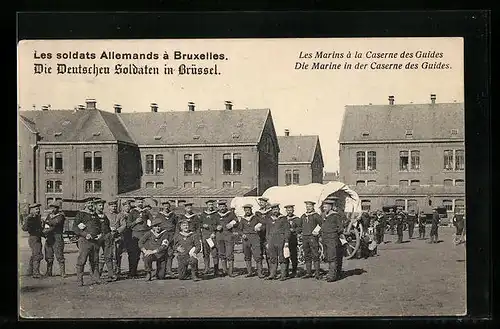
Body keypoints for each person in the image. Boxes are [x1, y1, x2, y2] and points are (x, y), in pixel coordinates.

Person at [73, 198, 103, 286]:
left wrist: (100, 234)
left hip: (95, 241)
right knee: (82, 260)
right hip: (85, 241)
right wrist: (85, 234)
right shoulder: (80, 214)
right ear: (85, 204)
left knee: (95, 260)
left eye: (92, 203)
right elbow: (75, 228)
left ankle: (96, 278)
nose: (90, 205)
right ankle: (79, 280)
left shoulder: (95, 215)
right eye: (89, 203)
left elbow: (99, 226)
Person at [262, 203, 290, 281]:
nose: (275, 211)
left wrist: (286, 241)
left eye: (276, 209)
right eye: (274, 209)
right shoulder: (268, 219)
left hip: (281, 240)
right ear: (271, 210)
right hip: (271, 240)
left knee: (282, 257)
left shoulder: (283, 218)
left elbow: (287, 231)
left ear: (279, 210)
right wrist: (267, 242)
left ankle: (283, 275)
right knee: (272, 258)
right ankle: (272, 274)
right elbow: (267, 231)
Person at [126, 197, 151, 278]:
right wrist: (135, 222)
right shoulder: (132, 212)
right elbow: (128, 225)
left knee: (146, 253)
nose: (140, 203)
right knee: (134, 254)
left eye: (141, 202)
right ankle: (132, 272)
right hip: (136, 234)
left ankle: (148, 272)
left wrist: (149, 227)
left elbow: (152, 221)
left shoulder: (146, 211)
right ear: (135, 203)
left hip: (145, 234)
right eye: (138, 202)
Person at [321, 197, 345, 282]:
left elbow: (340, 228)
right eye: (323, 206)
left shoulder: (335, 215)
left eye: (326, 206)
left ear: (331, 207)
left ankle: (332, 276)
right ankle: (331, 273)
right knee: (328, 256)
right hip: (325, 238)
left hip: (332, 238)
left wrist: (334, 233)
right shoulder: (324, 215)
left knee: (332, 257)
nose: (324, 208)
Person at [238, 204, 264, 278]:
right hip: (246, 239)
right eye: (246, 210)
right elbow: (239, 229)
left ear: (251, 210)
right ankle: (249, 272)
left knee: (257, 255)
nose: (247, 211)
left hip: (255, 237)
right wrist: (242, 234)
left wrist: (259, 228)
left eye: (248, 210)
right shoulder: (243, 219)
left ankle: (260, 273)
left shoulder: (256, 218)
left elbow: (263, 224)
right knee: (247, 255)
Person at [298, 201, 322, 279]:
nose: (308, 207)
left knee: (315, 254)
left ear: (313, 207)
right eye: (307, 206)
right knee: (306, 255)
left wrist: (317, 231)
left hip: (313, 238)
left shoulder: (316, 216)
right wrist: (299, 232)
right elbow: (300, 226)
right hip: (305, 237)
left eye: (310, 206)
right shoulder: (303, 216)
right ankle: (309, 273)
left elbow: (322, 224)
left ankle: (317, 273)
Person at [42, 200, 66, 278]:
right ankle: (49, 272)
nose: (53, 209)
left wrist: (48, 222)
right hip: (49, 237)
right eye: (51, 207)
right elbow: (46, 224)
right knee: (48, 255)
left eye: (54, 208)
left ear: (58, 208)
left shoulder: (61, 216)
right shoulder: (49, 215)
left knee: (59, 255)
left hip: (57, 237)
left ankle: (62, 272)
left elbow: (55, 223)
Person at [154, 201, 178, 278]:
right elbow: (155, 225)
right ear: (163, 207)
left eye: (168, 206)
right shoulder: (159, 215)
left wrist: (175, 235)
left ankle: (169, 270)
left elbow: (177, 225)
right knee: (161, 253)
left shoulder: (173, 215)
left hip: (171, 235)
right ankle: (160, 270)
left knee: (170, 253)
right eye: (165, 206)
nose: (166, 208)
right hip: (162, 235)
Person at [94, 199, 116, 282]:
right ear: (95, 206)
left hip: (107, 236)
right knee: (96, 256)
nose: (101, 207)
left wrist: (110, 231)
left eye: (102, 205)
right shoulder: (93, 215)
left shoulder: (104, 215)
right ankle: (96, 274)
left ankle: (111, 274)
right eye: (99, 205)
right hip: (97, 237)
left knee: (108, 255)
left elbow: (106, 225)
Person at [215, 200, 239, 277]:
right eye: (220, 206)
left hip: (229, 236)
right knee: (221, 253)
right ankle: (225, 270)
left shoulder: (230, 214)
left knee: (229, 253)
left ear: (226, 206)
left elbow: (236, 221)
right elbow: (212, 224)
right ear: (218, 207)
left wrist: (231, 224)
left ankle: (230, 271)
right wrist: (216, 227)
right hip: (219, 236)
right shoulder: (216, 215)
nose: (222, 208)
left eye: (223, 206)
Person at [22, 203, 44, 279]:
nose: (38, 210)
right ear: (32, 210)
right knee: (37, 254)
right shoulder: (30, 218)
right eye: (36, 209)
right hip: (34, 237)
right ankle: (36, 273)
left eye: (38, 209)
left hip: (37, 237)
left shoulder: (37, 217)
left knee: (34, 254)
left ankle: (30, 271)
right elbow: (24, 228)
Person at [199, 200, 219, 277]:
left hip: (213, 236)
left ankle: (216, 269)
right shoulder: (203, 214)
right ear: (207, 205)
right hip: (205, 236)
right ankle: (207, 268)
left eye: (212, 205)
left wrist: (214, 232)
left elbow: (219, 224)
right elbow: (199, 223)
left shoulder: (216, 214)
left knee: (214, 253)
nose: (211, 206)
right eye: (209, 205)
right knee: (205, 253)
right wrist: (202, 225)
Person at [109, 200, 130, 278]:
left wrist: (117, 231)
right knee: (106, 255)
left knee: (117, 254)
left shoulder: (120, 215)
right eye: (112, 206)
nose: (114, 208)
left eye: (115, 206)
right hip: (108, 237)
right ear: (109, 207)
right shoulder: (106, 215)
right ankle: (108, 271)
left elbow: (124, 225)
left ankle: (117, 271)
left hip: (117, 237)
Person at [283, 204, 300, 278]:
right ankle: (285, 271)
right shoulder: (283, 219)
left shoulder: (296, 219)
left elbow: (300, 228)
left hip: (293, 239)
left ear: (293, 210)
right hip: (285, 239)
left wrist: (294, 230)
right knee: (285, 255)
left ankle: (294, 271)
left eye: (290, 210)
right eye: (288, 210)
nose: (289, 211)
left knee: (293, 256)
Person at [255, 197, 271, 273]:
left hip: (268, 235)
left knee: (268, 253)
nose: (261, 204)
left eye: (263, 202)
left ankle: (270, 271)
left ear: (266, 203)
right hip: (259, 236)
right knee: (259, 253)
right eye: (260, 202)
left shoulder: (270, 212)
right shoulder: (257, 213)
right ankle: (260, 271)